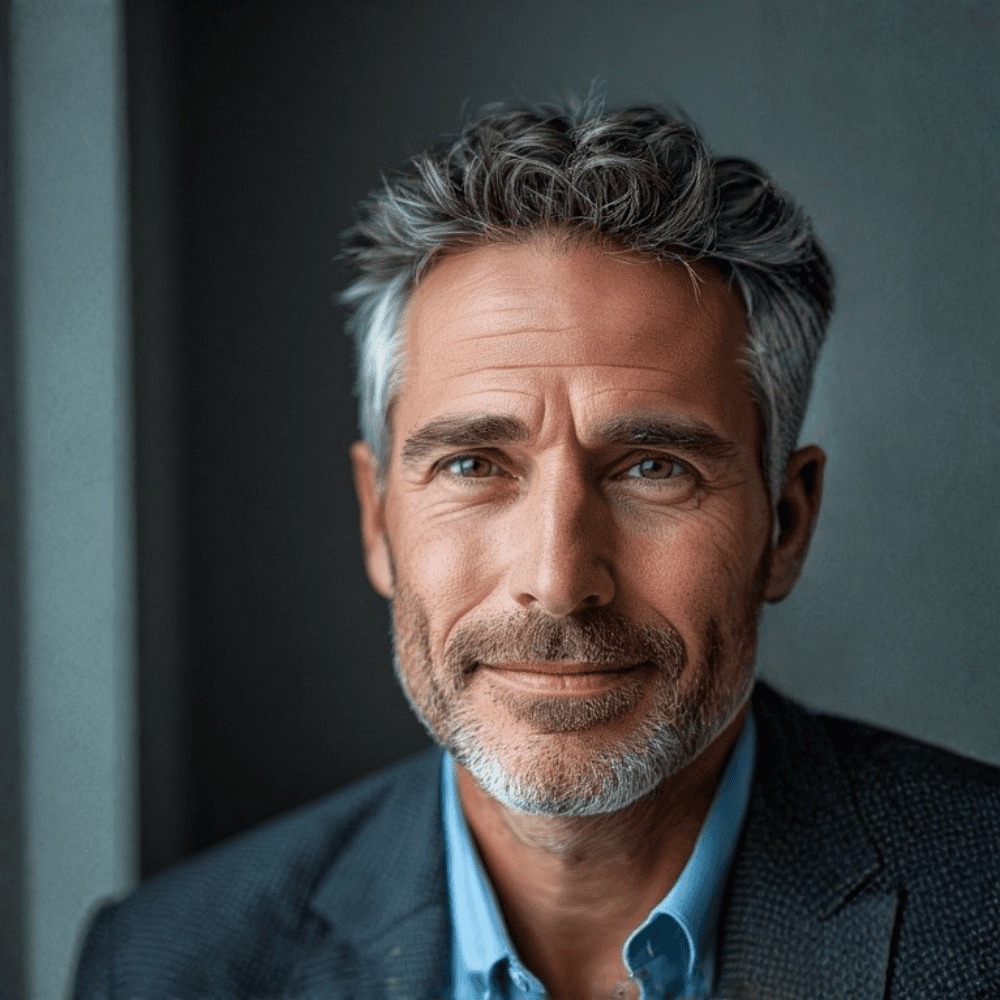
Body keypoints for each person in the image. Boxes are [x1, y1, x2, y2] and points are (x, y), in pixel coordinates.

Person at [74, 95, 1000, 1000]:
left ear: (786, 525)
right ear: (377, 517)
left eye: (653, 468)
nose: (558, 584)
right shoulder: (166, 964)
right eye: (475, 463)